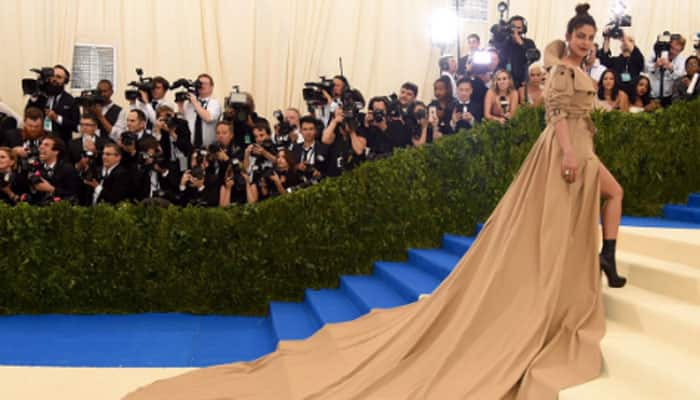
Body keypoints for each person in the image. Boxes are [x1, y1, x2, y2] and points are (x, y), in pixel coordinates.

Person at [125, 4, 621, 399]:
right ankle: (574, 271)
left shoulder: (585, 71)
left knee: (598, 203)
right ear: (570, 36)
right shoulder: (557, 73)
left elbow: (581, 113)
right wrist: (566, 153)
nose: (586, 43)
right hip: (566, 152)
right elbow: (553, 116)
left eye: (591, 38)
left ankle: (603, 256)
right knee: (557, 219)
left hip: (585, 146)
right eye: (581, 36)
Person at [25, 65, 80, 145]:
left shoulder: (71, 101)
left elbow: (76, 127)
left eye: (59, 77)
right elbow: (28, 114)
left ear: (65, 81)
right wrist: (33, 96)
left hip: (61, 144)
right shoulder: (39, 96)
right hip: (38, 142)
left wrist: (57, 118)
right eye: (52, 76)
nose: (54, 79)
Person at [178, 73, 222, 148]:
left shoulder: (214, 103)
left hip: (209, 147)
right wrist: (180, 104)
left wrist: (195, 102)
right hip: (190, 147)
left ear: (211, 87)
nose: (202, 85)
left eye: (205, 83)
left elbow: (208, 118)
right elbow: (182, 120)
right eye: (199, 83)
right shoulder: (189, 103)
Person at [497, 15, 538, 88]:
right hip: (506, 83)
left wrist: (520, 42)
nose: (515, 30)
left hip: (524, 82)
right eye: (513, 27)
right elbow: (499, 61)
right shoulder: (505, 43)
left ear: (523, 29)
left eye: (518, 28)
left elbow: (534, 57)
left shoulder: (529, 42)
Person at [646, 34, 687, 107]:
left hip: (669, 96)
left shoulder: (682, 60)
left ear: (681, 50)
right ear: (668, 45)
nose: (673, 52)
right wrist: (655, 65)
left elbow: (680, 77)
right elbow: (645, 68)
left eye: (677, 50)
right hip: (652, 95)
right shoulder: (656, 52)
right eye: (672, 48)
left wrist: (671, 69)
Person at [600, 32, 645, 97]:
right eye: (623, 41)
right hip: (616, 95)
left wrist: (624, 36)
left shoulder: (638, 59)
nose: (626, 43)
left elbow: (636, 53)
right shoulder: (615, 60)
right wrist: (607, 38)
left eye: (630, 41)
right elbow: (604, 58)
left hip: (631, 96)